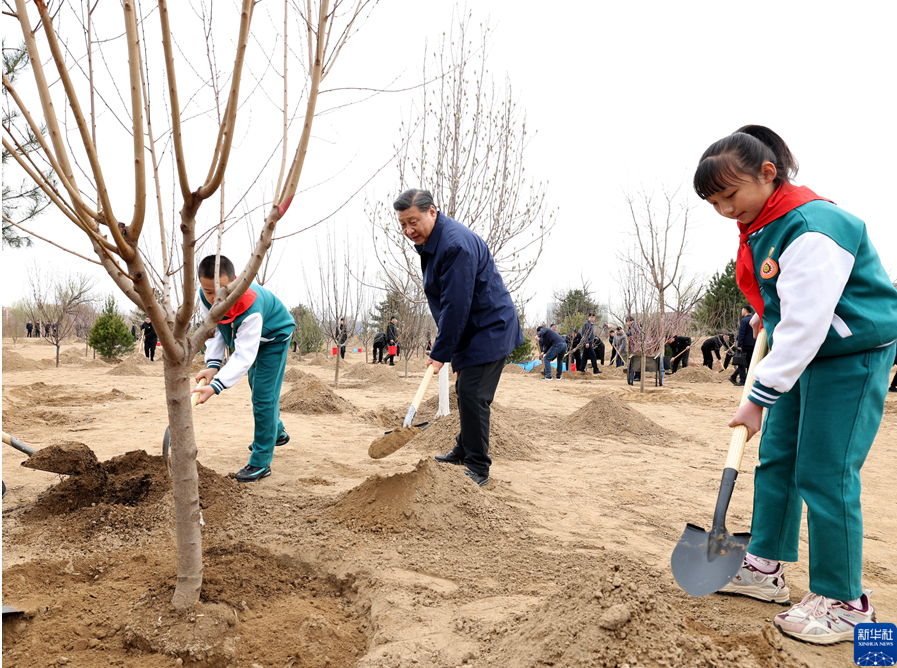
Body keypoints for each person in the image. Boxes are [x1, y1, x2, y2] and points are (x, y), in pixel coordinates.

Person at [694, 124, 897, 644]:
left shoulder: (811, 226)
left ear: (768, 173)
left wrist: (758, 398)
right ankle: (765, 566)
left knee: (825, 471)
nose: (724, 210)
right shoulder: (765, 220)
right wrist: (769, 315)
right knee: (778, 457)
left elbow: (810, 321)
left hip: (851, 352)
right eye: (714, 201)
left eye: (730, 195)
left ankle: (846, 601)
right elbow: (792, 301)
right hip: (807, 349)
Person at [394, 189, 523, 487]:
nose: (408, 230)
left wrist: (441, 352)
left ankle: (478, 467)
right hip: (473, 330)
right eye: (403, 224)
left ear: (432, 212)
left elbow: (456, 304)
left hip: (489, 328)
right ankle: (464, 450)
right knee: (466, 389)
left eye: (413, 221)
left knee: (473, 394)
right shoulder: (436, 243)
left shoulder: (454, 245)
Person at [191, 255, 295, 483]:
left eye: (220, 290)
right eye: (208, 291)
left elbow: (243, 356)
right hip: (249, 340)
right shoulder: (205, 297)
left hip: (273, 337)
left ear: (234, 281)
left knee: (263, 396)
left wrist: (216, 386)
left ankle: (261, 461)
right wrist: (212, 365)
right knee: (256, 386)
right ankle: (275, 431)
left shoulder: (251, 307)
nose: (214, 297)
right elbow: (215, 330)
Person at [732, 307, 756, 386]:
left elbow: (741, 333)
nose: (742, 311)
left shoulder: (744, 320)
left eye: (742, 310)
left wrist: (739, 345)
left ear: (745, 311)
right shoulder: (755, 319)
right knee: (750, 363)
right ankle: (750, 380)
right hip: (753, 345)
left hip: (744, 345)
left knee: (741, 363)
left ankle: (743, 380)